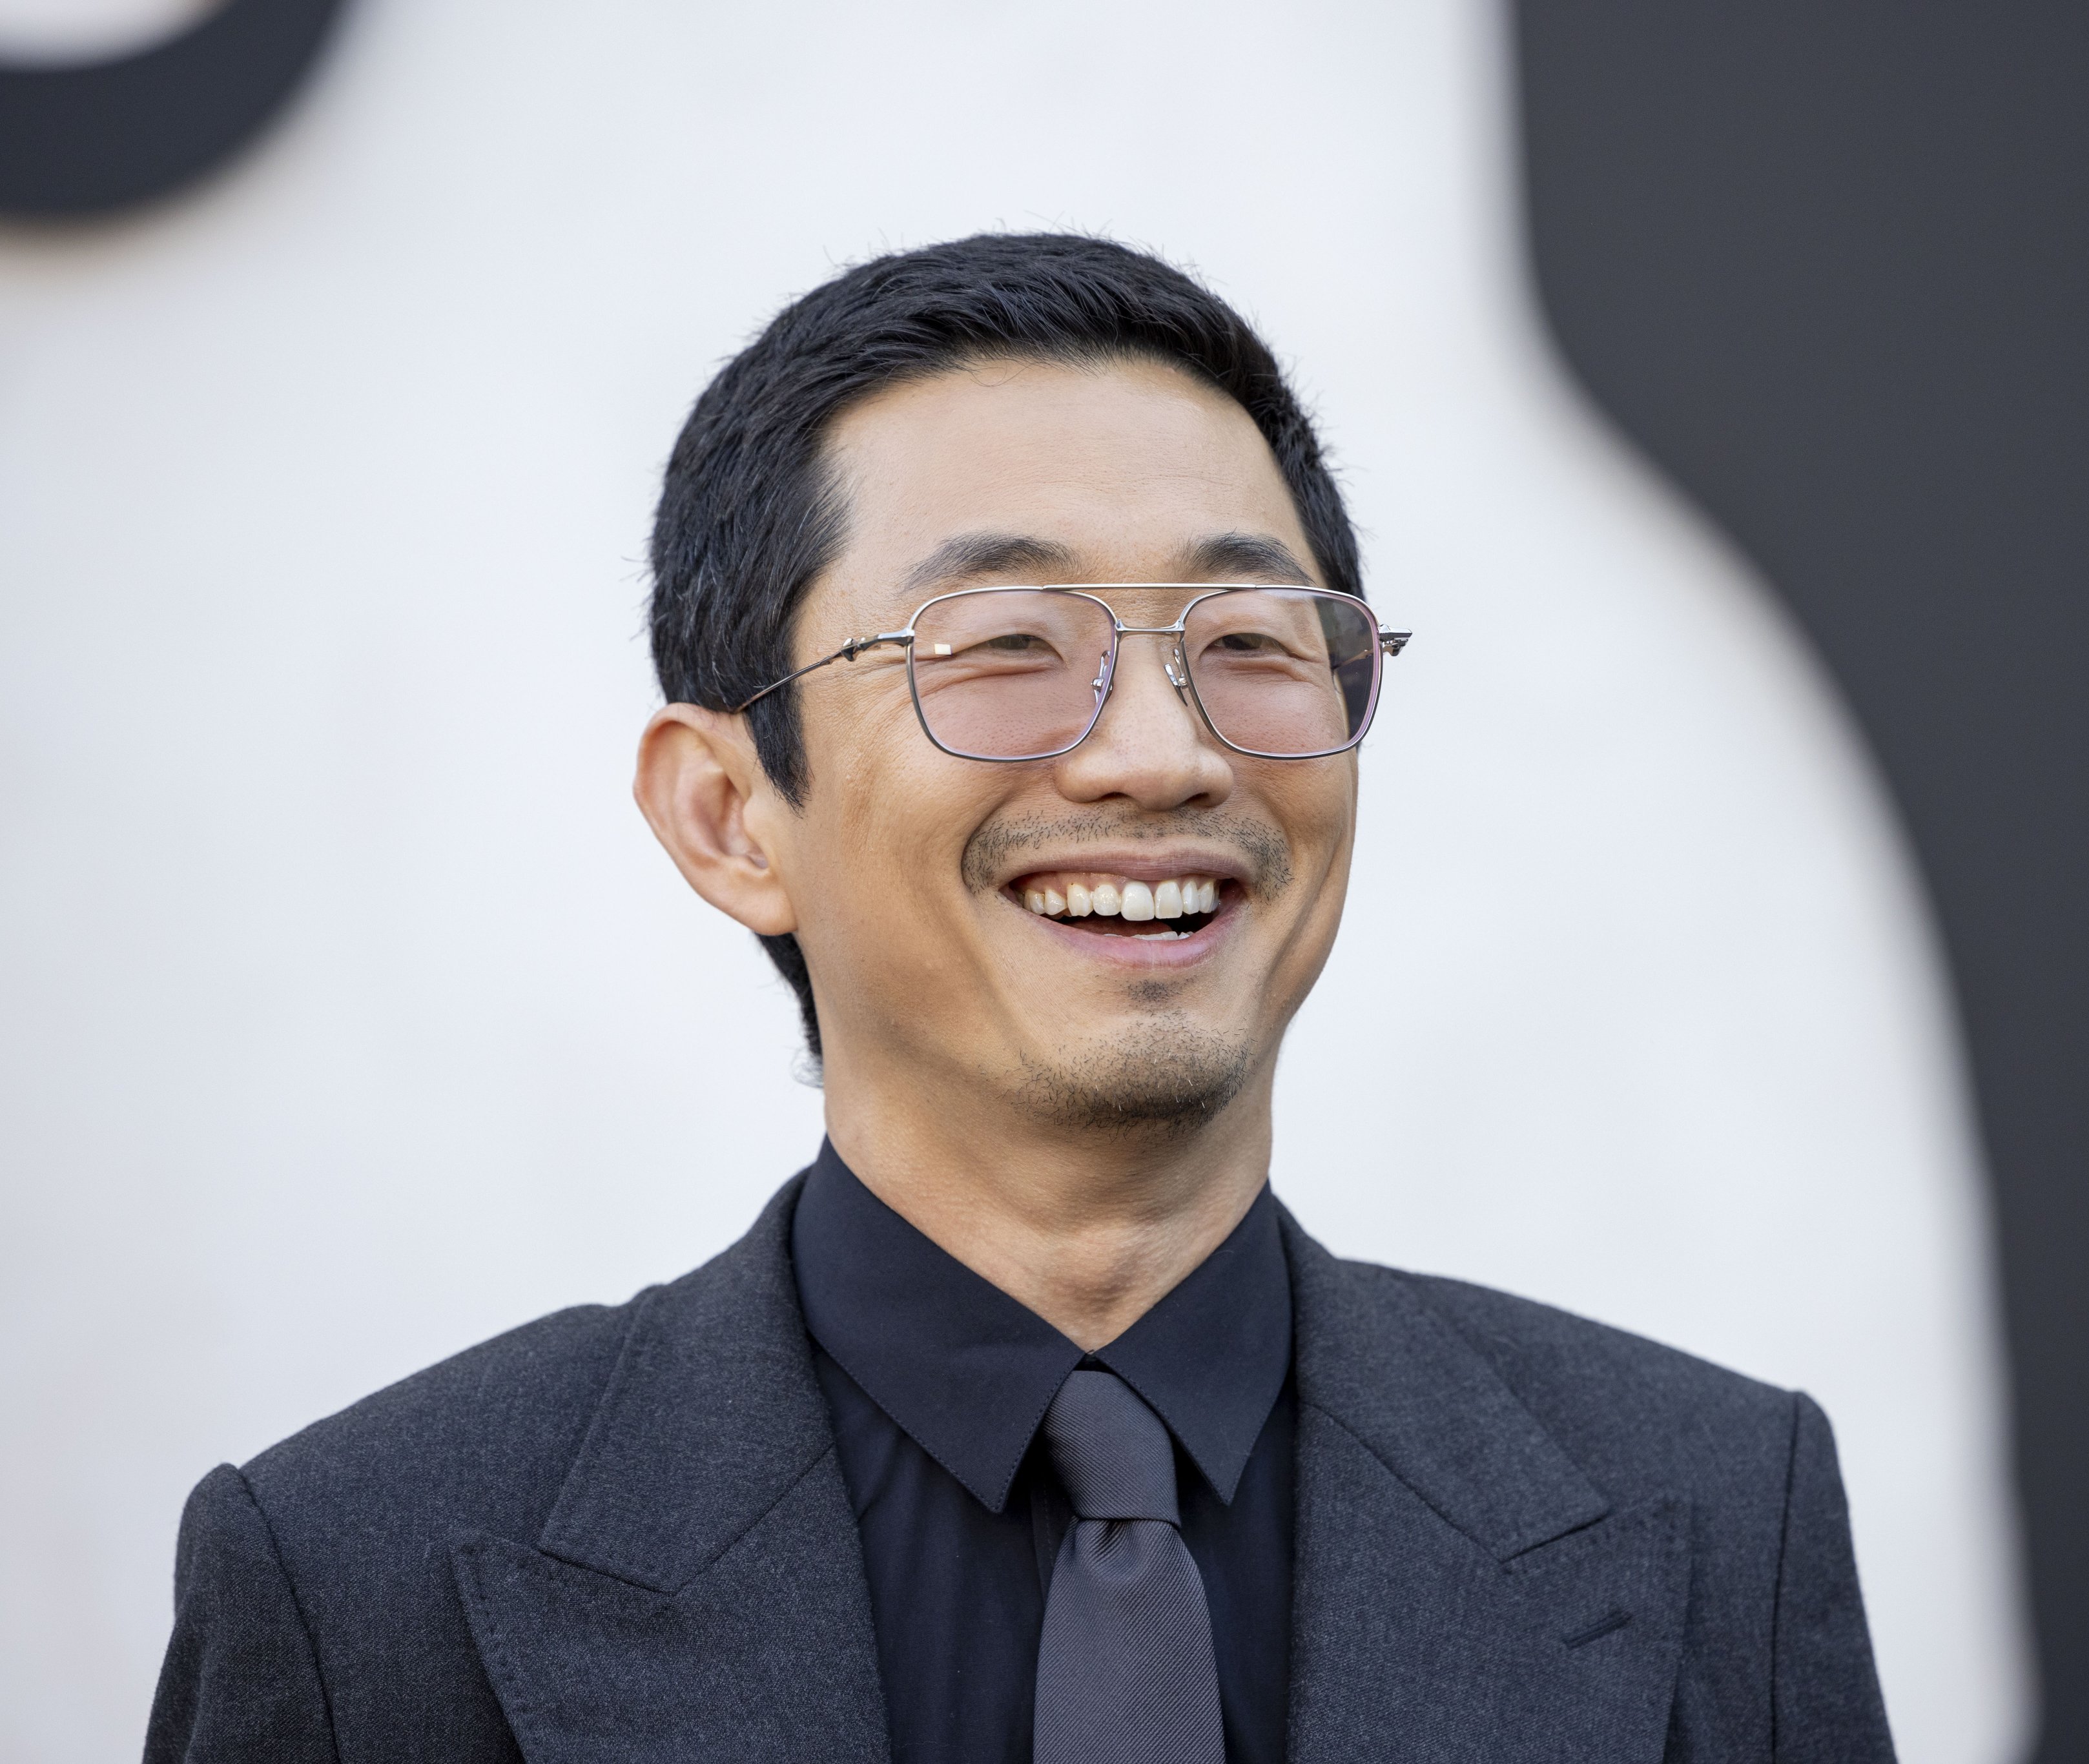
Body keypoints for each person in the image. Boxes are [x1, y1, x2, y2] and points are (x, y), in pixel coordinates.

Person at [146, 233, 1895, 1763]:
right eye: (1002, 648)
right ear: (729, 811)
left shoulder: (1715, 1519)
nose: (1163, 753)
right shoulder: (356, 1580)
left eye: (1253, 644)